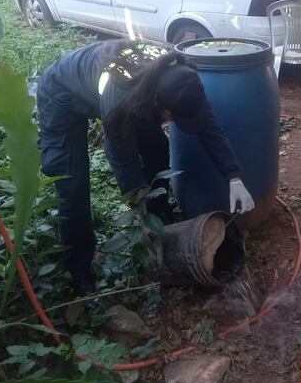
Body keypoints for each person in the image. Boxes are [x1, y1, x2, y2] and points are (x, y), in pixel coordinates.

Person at [36, 40, 255, 296]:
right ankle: (79, 270)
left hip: (122, 94)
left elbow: (209, 128)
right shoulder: (122, 98)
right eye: (172, 117)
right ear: (156, 102)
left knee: (157, 147)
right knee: (72, 182)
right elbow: (121, 157)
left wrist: (234, 178)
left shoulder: (184, 81)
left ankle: (160, 214)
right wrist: (139, 206)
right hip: (61, 93)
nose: (173, 121)